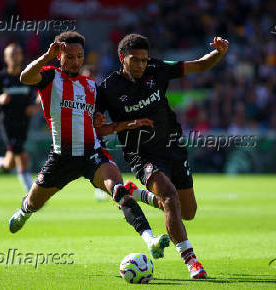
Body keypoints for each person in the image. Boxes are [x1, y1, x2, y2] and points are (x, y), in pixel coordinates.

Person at [8, 31, 170, 259]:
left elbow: (99, 127)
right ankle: (24, 212)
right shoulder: (50, 77)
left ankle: (150, 240)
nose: (75, 61)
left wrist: (126, 124)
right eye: (70, 56)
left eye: (80, 56)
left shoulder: (91, 87)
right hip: (61, 158)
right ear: (60, 55)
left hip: (92, 155)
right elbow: (25, 77)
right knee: (34, 203)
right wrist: (47, 56)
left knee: (118, 189)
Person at [94, 33, 229, 279]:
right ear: (122, 58)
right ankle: (192, 262)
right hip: (142, 154)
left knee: (187, 212)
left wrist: (218, 53)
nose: (140, 65)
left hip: (173, 146)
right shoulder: (107, 89)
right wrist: (125, 125)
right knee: (169, 196)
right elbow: (97, 128)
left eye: (144, 60)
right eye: (135, 60)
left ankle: (138, 193)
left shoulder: (157, 69)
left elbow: (199, 65)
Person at [0, 43, 39, 192]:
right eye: (11, 54)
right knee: (22, 156)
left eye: (17, 53)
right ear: (5, 58)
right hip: (8, 123)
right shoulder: (0, 77)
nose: (14, 56)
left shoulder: (28, 76)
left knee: (9, 163)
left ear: (22, 56)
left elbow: (41, 95)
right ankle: (31, 197)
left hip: (24, 122)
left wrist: (36, 107)